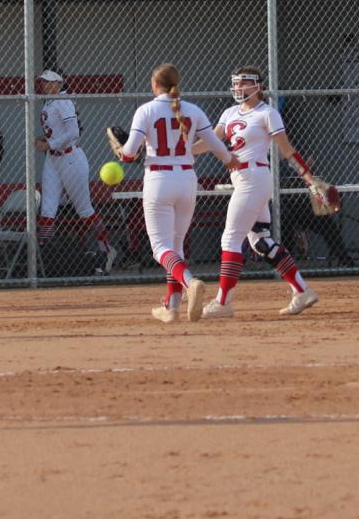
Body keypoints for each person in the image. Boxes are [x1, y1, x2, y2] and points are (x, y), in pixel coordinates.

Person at [204, 66, 336, 318]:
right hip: (243, 179)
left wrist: (309, 179)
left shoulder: (267, 113)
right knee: (260, 240)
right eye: (236, 83)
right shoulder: (230, 112)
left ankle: (222, 302)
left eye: (244, 83)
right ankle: (302, 290)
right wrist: (181, 150)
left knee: (230, 238)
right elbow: (210, 142)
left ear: (258, 86)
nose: (239, 88)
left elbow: (287, 150)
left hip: (254, 177)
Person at [107, 63, 232, 324]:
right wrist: (232, 160)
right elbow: (216, 145)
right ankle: (171, 306)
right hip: (187, 179)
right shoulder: (193, 110)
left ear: (155, 85)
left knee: (160, 248)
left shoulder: (147, 109)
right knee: (175, 246)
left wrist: (120, 152)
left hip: (159, 179)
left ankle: (189, 282)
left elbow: (129, 153)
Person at [34, 68, 118, 274]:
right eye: (43, 82)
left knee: (84, 209)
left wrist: (50, 144)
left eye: (49, 82)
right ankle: (40, 258)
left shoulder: (63, 101)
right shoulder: (50, 102)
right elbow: (60, 131)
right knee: (47, 208)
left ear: (58, 84)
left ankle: (106, 249)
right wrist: (47, 142)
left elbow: (73, 132)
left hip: (71, 159)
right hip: (53, 160)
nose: (44, 85)